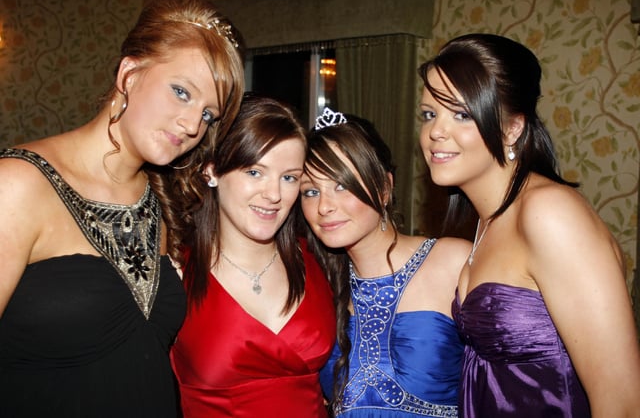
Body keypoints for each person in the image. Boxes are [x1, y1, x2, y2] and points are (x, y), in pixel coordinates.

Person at [0, 0, 244, 417]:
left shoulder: (163, 202)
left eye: (208, 114)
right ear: (130, 73)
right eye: (181, 92)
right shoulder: (18, 184)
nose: (191, 124)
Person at [418, 33, 640, 418]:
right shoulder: (486, 221)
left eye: (461, 113)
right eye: (428, 114)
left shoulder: (549, 213)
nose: (436, 130)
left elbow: (623, 402)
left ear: (512, 129)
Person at [170, 93, 336, 418]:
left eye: (289, 178)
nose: (274, 194)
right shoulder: (175, 272)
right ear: (212, 171)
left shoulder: (319, 255)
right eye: (255, 172)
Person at [299, 108, 472, 417]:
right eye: (311, 191)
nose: (324, 206)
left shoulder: (452, 261)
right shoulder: (316, 287)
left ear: (384, 188)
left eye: (341, 185)